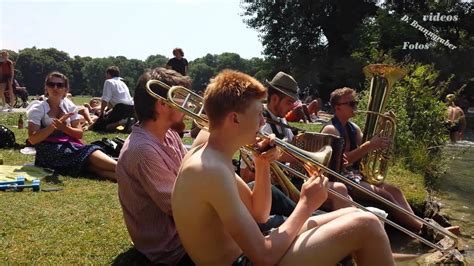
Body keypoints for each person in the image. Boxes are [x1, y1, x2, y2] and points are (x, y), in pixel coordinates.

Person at [172, 70, 394, 265]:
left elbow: (259, 214)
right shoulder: (211, 170)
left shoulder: (210, 153)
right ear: (234, 119)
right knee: (367, 224)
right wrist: (306, 204)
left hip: (249, 255)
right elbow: (264, 257)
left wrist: (262, 164)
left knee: (353, 213)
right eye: (258, 114)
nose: (262, 122)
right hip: (247, 261)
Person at [321, 87, 423, 232]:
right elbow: (341, 161)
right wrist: (370, 145)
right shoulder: (331, 130)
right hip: (339, 178)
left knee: (395, 191)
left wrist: (381, 137)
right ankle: (421, 229)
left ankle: (419, 223)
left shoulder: (353, 128)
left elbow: (364, 152)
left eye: (355, 103)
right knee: (385, 196)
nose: (355, 107)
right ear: (338, 108)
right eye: (351, 104)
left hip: (355, 175)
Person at [249, 71, 352, 211]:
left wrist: (333, 158)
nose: (292, 107)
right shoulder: (263, 125)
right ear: (274, 99)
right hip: (278, 187)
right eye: (289, 102)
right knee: (339, 191)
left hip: (290, 180)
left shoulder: (281, 119)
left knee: (342, 192)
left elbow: (291, 145)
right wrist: (302, 159)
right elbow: (254, 166)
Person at [27, 72, 117, 181]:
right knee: (90, 153)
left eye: (59, 85)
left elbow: (79, 134)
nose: (55, 88)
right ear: (46, 88)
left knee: (94, 168)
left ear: (65, 89)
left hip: (68, 146)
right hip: (48, 151)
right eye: (51, 84)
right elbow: (33, 139)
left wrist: (64, 128)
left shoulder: (68, 105)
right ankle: (128, 170)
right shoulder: (38, 108)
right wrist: (54, 126)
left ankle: (132, 178)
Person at [93, 66, 134, 132]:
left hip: (120, 108)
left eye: (106, 74)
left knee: (98, 127)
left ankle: (122, 122)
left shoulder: (109, 82)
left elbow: (105, 99)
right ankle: (126, 123)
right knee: (108, 124)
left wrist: (101, 114)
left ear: (108, 74)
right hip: (130, 108)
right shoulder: (123, 83)